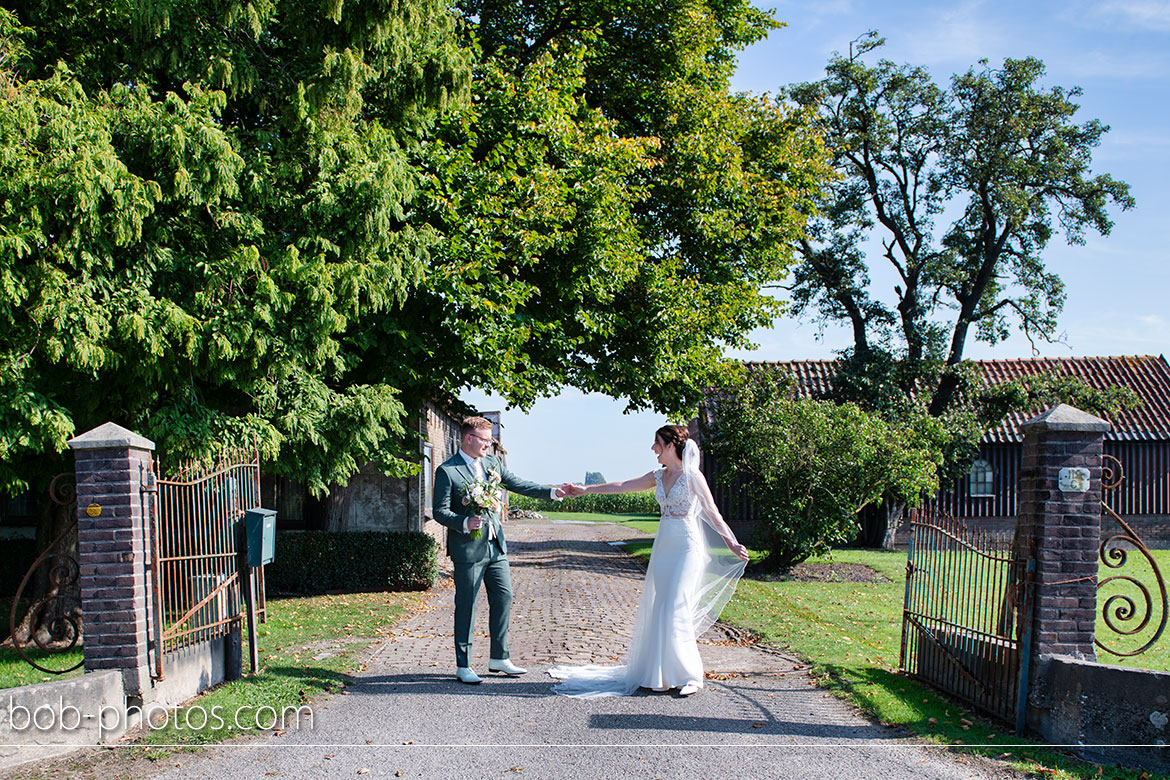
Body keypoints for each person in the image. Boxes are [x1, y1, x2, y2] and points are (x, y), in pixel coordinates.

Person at [548, 425, 749, 697]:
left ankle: (690, 675)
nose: (652, 448)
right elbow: (622, 486)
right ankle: (660, 673)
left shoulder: (692, 476)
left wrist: (731, 541)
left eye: (656, 443)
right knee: (661, 606)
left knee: (676, 606)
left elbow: (713, 512)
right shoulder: (657, 475)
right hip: (664, 546)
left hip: (687, 548)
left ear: (669, 446)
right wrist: (585, 489)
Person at [433, 416, 568, 684]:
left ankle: (499, 657)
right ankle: (464, 665)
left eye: (491, 440)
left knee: (504, 597)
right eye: (485, 440)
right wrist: (463, 522)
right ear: (469, 439)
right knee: (467, 606)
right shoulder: (448, 471)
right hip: (468, 549)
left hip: (496, 546)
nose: (489, 445)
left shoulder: (493, 464)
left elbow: (518, 484)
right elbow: (439, 511)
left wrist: (553, 493)